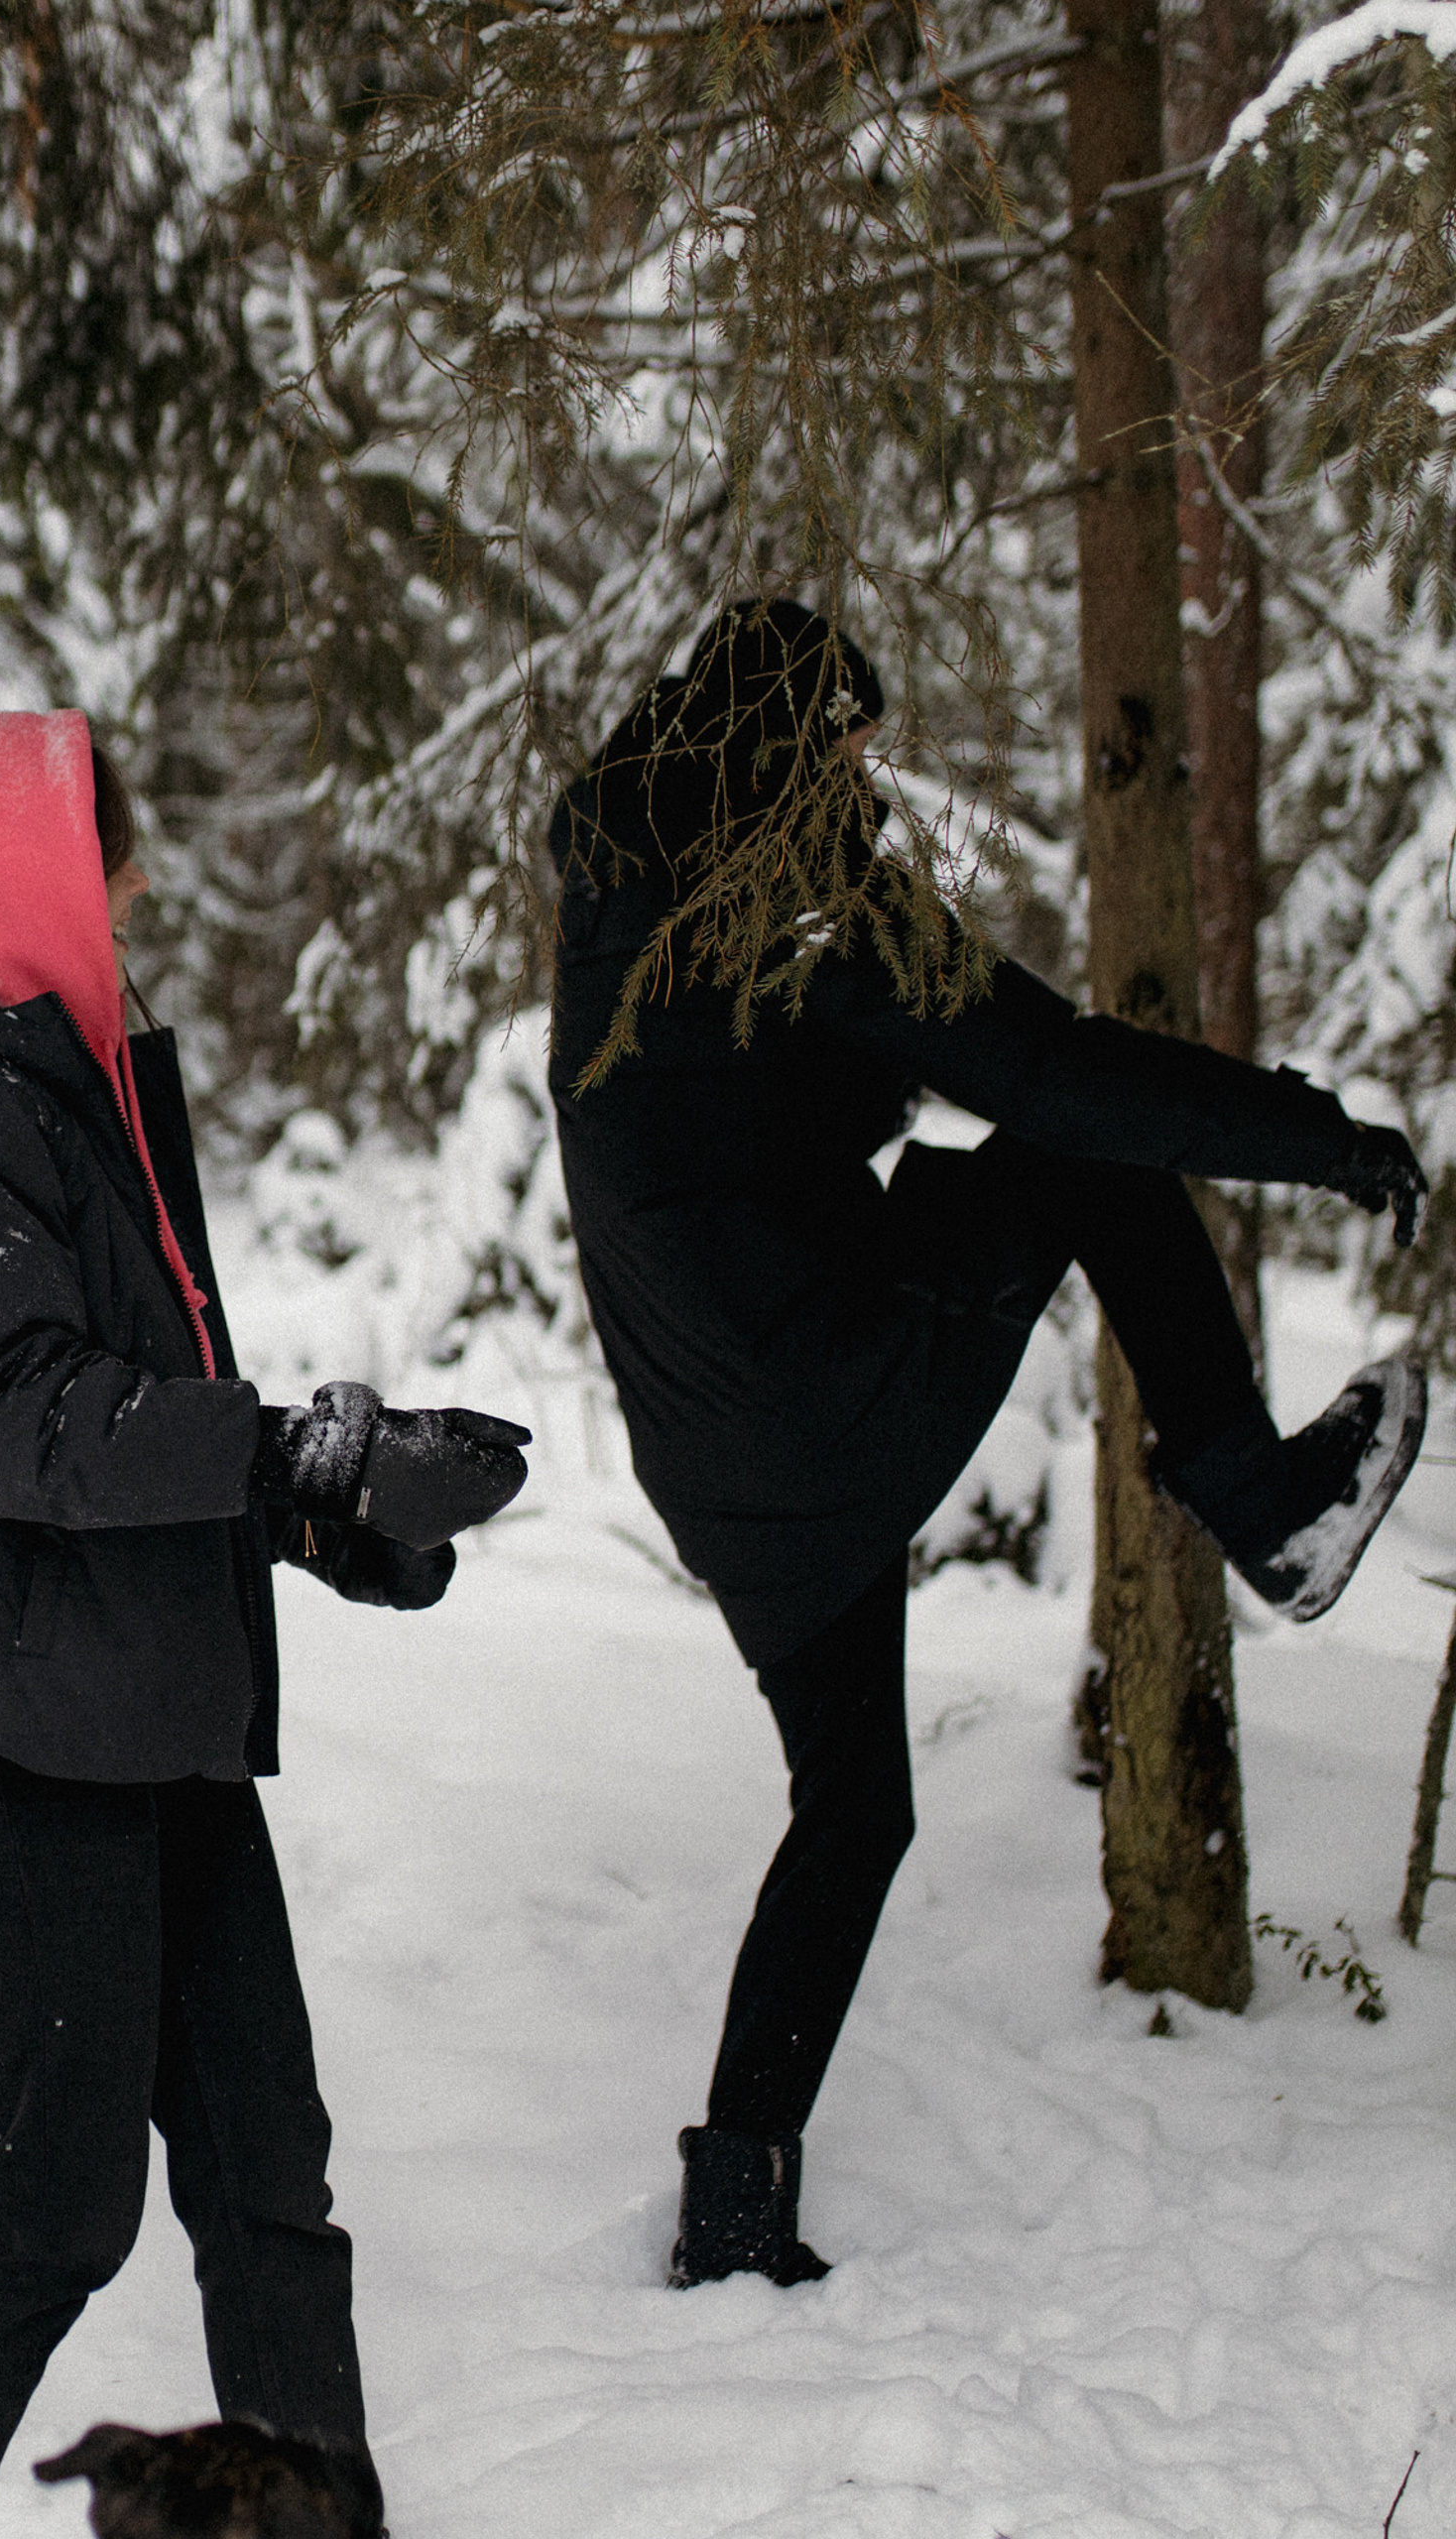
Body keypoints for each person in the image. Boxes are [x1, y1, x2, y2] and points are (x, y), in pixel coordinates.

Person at [546, 598, 1432, 2292]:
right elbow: (1063, 1076)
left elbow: (748, 1107)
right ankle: (1261, 1500)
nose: (872, 787)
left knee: (855, 1810)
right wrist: (1313, 1138)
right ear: (803, 753)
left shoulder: (625, 893)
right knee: (1080, 1155)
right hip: (820, 1391)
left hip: (725, 1458)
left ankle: (735, 2217)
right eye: (854, 754)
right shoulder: (796, 898)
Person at [0, 707, 531, 2539]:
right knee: (59, 2204)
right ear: (8, 869)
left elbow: (119, 1420)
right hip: (12, 1747)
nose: (122, 897)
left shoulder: (38, 1087)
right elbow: (27, 1426)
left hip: (142, 1709)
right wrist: (304, 1452)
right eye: (94, 858)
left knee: (270, 2185)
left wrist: (325, 1512)